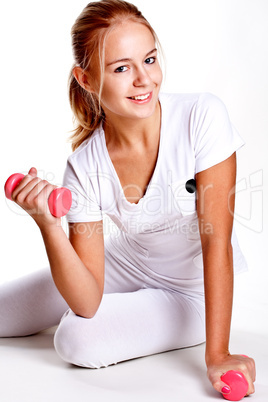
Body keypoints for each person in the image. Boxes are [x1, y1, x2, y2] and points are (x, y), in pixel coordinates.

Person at [0, 0, 256, 397]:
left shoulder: (201, 117)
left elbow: (215, 241)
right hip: (130, 262)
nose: (144, 80)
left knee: (76, 340)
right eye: (121, 68)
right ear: (86, 80)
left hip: (191, 291)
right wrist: (49, 226)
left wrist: (217, 352)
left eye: (150, 60)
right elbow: (87, 301)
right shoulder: (84, 165)